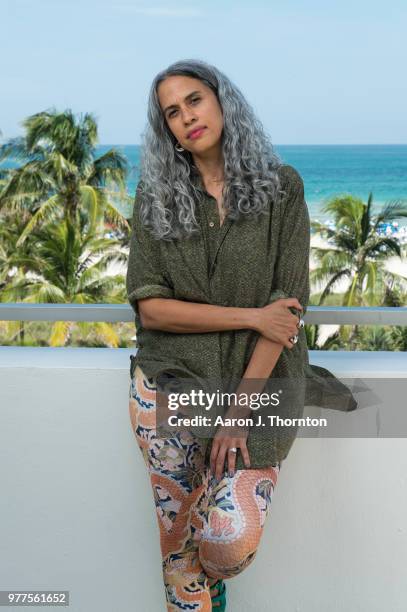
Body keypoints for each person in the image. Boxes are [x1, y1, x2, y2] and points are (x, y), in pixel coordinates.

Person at [126, 59, 355, 611]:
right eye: (171, 113)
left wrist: (237, 414)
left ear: (223, 100)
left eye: (195, 100)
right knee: (180, 557)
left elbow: (288, 311)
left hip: (259, 387)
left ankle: (214, 581)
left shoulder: (282, 188)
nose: (186, 117)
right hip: (168, 384)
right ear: (167, 132)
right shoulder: (156, 197)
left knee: (226, 542)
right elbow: (152, 309)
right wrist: (251, 316)